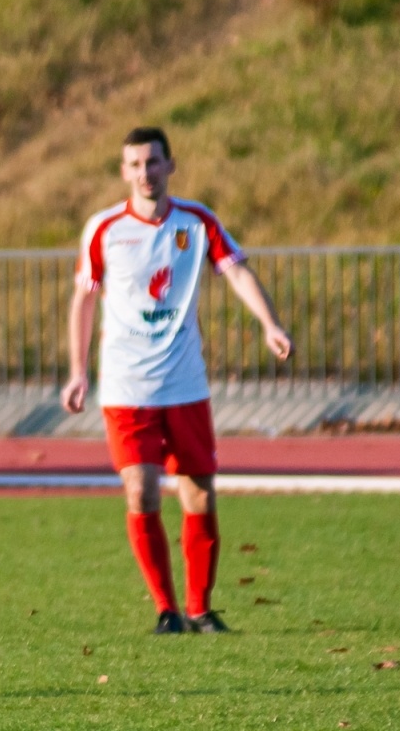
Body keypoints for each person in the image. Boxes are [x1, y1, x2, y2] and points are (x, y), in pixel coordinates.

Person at [63, 126, 292, 635]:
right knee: (141, 491)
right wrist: (78, 371)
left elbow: (236, 271)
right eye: (135, 164)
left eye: (153, 162)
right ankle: (166, 610)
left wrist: (270, 324)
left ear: (170, 166)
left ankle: (200, 609)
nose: (145, 173)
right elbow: (84, 298)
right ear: (124, 172)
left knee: (200, 495)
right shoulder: (105, 229)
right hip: (126, 386)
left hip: (185, 383)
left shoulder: (197, 221)